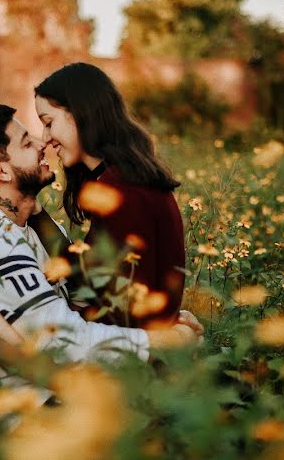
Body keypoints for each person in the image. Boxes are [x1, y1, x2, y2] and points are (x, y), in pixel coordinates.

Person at [0, 104, 200, 366]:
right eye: (26, 142)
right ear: (1, 170)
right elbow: (68, 342)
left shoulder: (27, 221)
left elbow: (82, 296)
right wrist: (163, 341)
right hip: (26, 404)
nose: (41, 143)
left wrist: (159, 321)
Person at [33, 62, 186, 330]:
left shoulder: (124, 192)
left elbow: (127, 309)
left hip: (136, 362)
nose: (45, 138)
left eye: (48, 122)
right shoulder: (117, 180)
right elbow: (95, 276)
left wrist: (68, 319)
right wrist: (34, 213)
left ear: (80, 113)